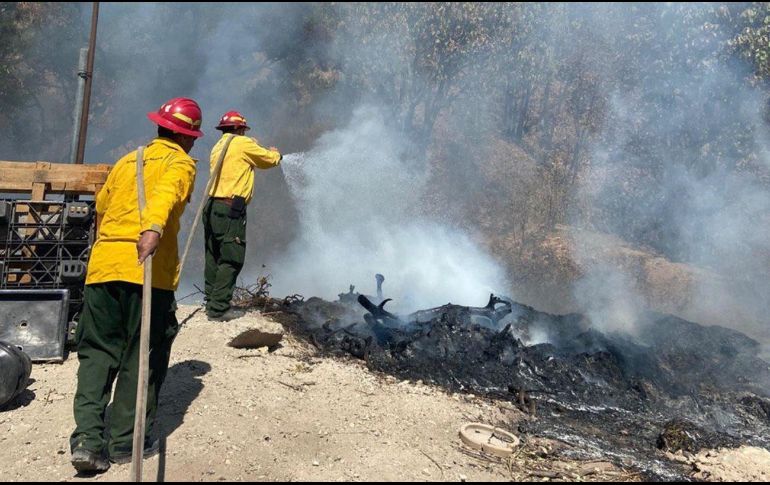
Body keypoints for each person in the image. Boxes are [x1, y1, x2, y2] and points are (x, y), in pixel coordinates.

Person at [70, 97, 203, 472]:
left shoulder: (128, 161)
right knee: (140, 355)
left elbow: (102, 207)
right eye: (193, 136)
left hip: (102, 269)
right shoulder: (180, 162)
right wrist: (152, 228)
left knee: (96, 353)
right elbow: (166, 194)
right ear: (188, 137)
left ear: (160, 126)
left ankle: (87, 441)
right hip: (147, 273)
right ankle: (125, 443)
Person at [203, 110, 281, 321]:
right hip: (231, 208)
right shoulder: (241, 144)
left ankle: (211, 300)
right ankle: (219, 308)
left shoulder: (219, 145)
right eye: (244, 130)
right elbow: (268, 160)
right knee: (231, 256)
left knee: (213, 254)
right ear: (239, 128)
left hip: (212, 206)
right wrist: (276, 153)